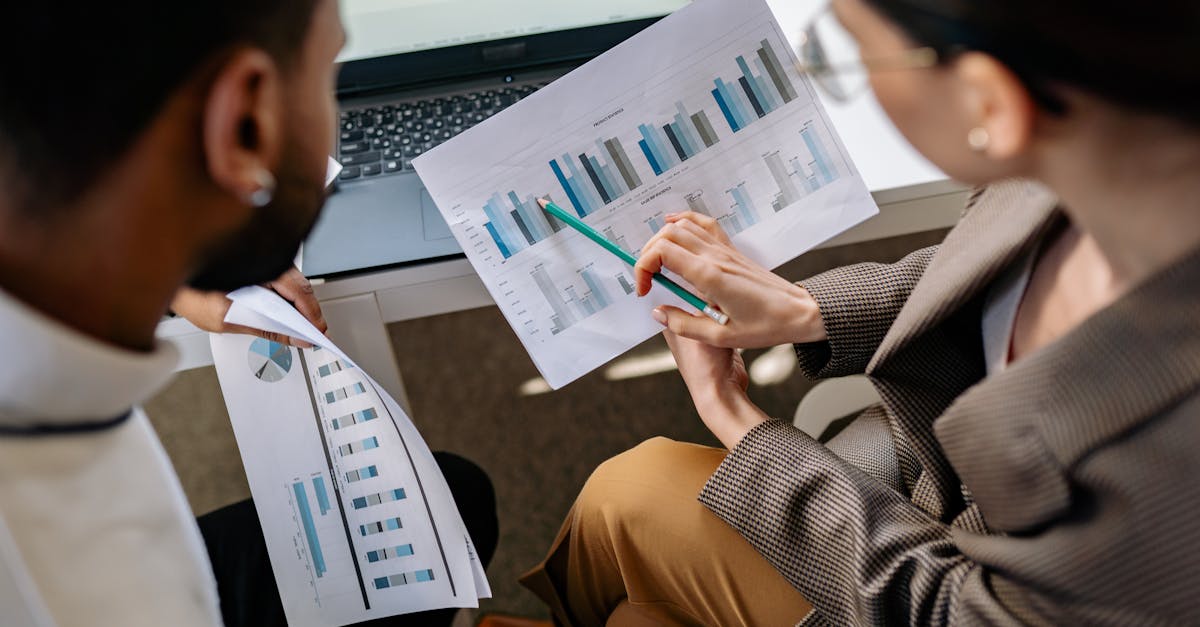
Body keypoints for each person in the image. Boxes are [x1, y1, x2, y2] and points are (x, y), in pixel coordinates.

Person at [521, 0, 1200, 624]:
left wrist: (733, 415)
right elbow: (994, 270)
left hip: (952, 579)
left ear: (988, 101)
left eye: (850, 51)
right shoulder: (1103, 126)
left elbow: (939, 610)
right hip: (937, 461)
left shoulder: (1158, 470)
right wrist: (804, 309)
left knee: (625, 504)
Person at [0, 1, 496, 626]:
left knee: (451, 498)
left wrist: (181, 250)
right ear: (245, 124)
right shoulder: (91, 588)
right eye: (328, 72)